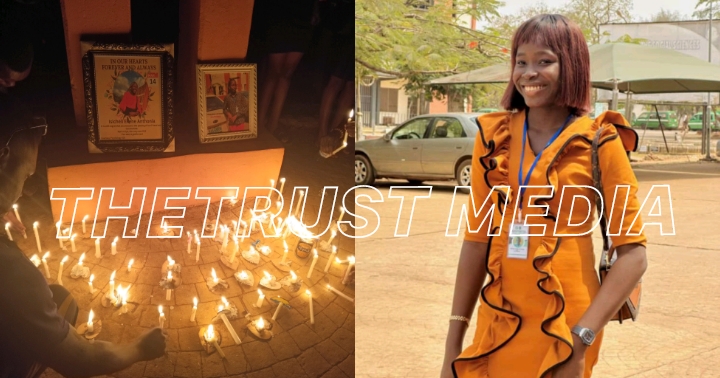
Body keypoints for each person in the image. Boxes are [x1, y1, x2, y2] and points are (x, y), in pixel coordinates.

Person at [441, 15, 648, 378]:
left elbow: (634, 256)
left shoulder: (601, 140)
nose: (528, 73)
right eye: (521, 61)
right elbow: (476, 242)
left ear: (571, 67)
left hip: (568, 326)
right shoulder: (494, 138)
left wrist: (582, 338)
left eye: (544, 61)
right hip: (500, 318)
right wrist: (452, 347)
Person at [0, 95, 166, 378]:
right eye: (26, 175)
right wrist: (139, 349)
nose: (23, 189)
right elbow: (80, 359)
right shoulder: (14, 275)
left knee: (60, 297)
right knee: (60, 307)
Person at [257, 0, 320, 143]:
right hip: (280, 12)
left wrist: (315, 9)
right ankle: (259, 124)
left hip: (303, 15)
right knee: (273, 73)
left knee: (286, 75)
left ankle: (273, 124)